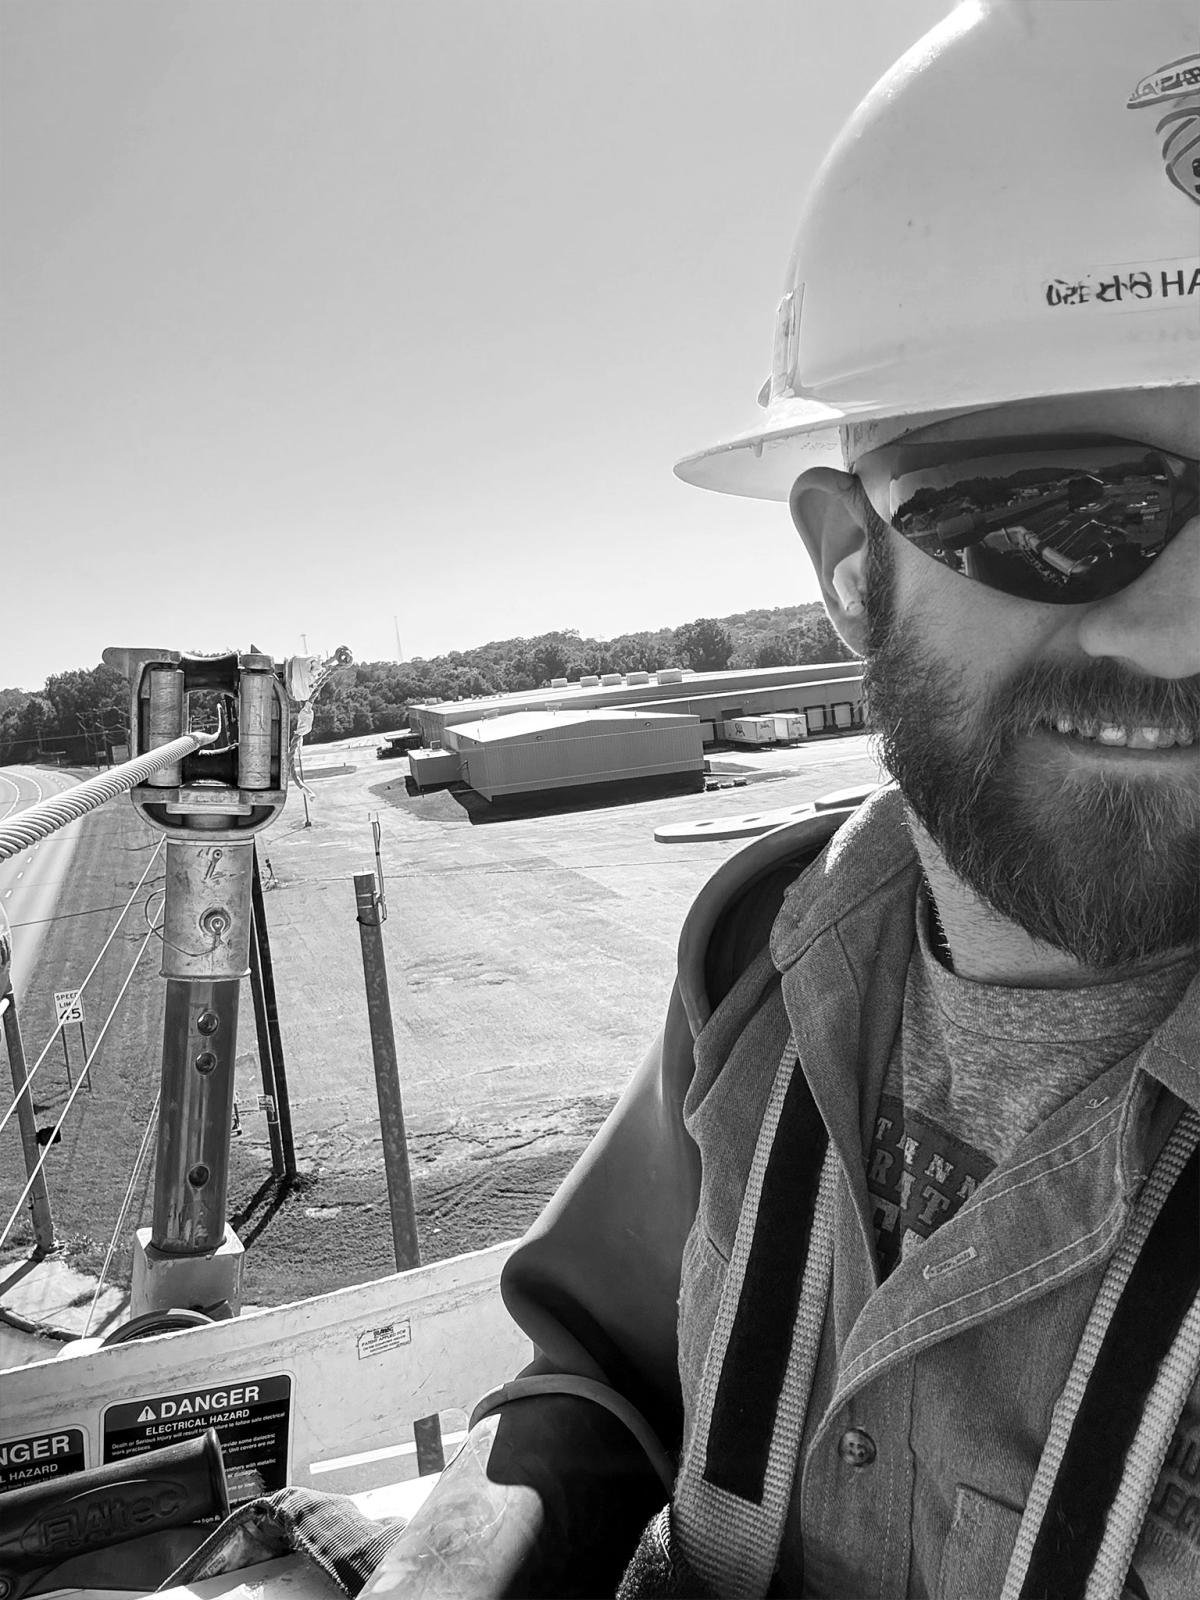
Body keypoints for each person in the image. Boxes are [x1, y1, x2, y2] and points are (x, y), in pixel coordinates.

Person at [362, 3, 1200, 1595]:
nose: (1182, 624)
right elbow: (601, 1372)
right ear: (844, 564)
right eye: (1053, 504)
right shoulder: (758, 956)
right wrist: (467, 1556)